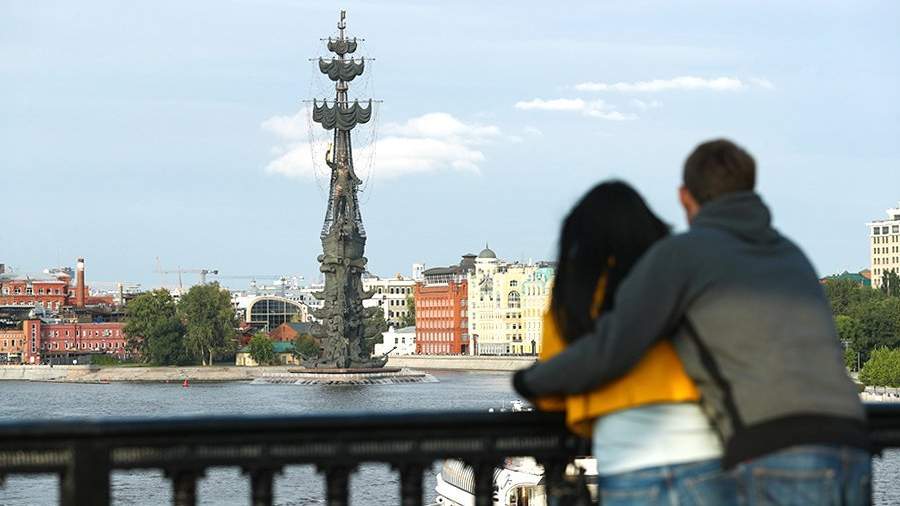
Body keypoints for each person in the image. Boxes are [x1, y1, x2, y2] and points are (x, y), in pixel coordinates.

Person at [514, 139, 870, 505]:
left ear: (685, 197)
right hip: (852, 439)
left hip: (772, 446)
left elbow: (614, 346)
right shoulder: (790, 253)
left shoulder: (684, 255)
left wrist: (530, 379)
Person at [524, 181, 732, 505]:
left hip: (626, 455)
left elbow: (553, 390)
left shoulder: (572, 294)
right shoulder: (681, 279)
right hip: (702, 446)